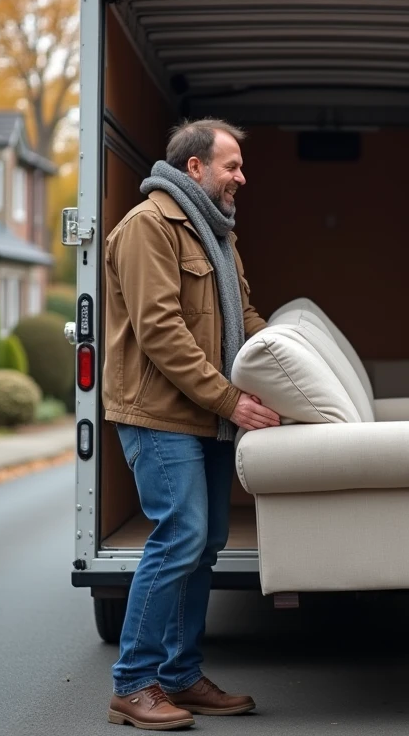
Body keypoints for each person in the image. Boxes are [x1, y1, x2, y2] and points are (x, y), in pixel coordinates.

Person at [102, 118, 281, 730]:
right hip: (159, 413)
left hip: (202, 415)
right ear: (195, 168)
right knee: (180, 535)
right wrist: (231, 401)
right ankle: (133, 683)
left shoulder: (217, 233)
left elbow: (246, 315)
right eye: (231, 165)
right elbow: (160, 332)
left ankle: (180, 675)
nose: (242, 176)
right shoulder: (146, 227)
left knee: (204, 545)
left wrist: (288, 359)